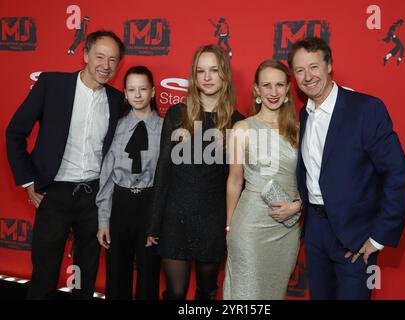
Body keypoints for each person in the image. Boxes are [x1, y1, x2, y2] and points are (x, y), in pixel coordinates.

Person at [287, 37, 405, 299]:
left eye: (314, 66)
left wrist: (378, 238)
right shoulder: (304, 115)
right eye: (299, 70)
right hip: (315, 233)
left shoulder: (366, 109)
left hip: (355, 236)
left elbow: (399, 176)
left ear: (329, 65)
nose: (307, 76)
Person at [5, 30, 125, 299]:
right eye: (100, 57)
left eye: (113, 60)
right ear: (84, 55)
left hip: (94, 197)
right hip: (53, 193)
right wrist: (28, 180)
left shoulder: (117, 100)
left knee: (86, 276)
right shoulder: (52, 84)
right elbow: (15, 132)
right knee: (44, 274)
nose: (106, 66)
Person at [146, 45, 244, 300]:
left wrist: (232, 226)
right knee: (176, 293)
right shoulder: (177, 114)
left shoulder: (237, 122)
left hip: (213, 220)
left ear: (224, 74)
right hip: (175, 218)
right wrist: (154, 223)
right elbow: (163, 170)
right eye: (201, 71)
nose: (207, 77)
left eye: (214, 70)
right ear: (194, 76)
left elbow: (239, 181)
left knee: (206, 292)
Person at [223, 60, 301, 300]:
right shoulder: (242, 129)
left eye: (279, 85)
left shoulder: (300, 130)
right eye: (266, 85)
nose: (273, 92)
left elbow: (312, 182)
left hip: (287, 229)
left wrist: (298, 206)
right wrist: (229, 226)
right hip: (249, 227)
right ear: (257, 89)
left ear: (288, 88)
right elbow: (234, 181)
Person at [96, 66, 163, 299]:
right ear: (124, 93)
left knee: (149, 274)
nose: (137, 95)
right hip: (121, 202)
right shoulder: (117, 128)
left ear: (153, 92)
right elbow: (106, 176)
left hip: (150, 202)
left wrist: (158, 221)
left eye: (143, 89)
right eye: (132, 89)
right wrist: (103, 220)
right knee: (116, 273)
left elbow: (168, 180)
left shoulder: (166, 129)